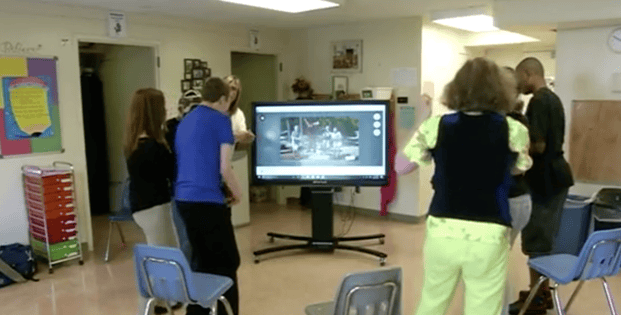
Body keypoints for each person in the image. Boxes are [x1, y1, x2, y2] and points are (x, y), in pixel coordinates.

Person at [396, 57, 532, 315]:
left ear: (456, 89)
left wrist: (421, 119)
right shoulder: (514, 130)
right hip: (490, 232)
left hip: (442, 231)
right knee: (484, 306)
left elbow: (400, 167)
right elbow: (519, 168)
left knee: (432, 302)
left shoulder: (435, 126)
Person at [509, 57, 574, 314]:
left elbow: (538, 145)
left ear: (528, 74)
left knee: (538, 242)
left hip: (546, 179)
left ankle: (537, 298)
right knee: (543, 240)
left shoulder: (538, 101)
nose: (517, 84)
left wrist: (515, 144)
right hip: (557, 175)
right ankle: (541, 291)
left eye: (518, 78)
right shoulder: (553, 99)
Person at [175, 77, 243, 315]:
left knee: (201, 261)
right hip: (207, 201)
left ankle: (198, 311)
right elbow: (225, 167)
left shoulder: (185, 121)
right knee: (228, 262)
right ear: (223, 99)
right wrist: (237, 192)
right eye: (228, 100)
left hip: (183, 200)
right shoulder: (221, 120)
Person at [124, 88, 179, 314]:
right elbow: (172, 170)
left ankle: (162, 302)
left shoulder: (135, 141)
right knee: (163, 257)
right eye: (163, 106)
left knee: (162, 252)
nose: (166, 110)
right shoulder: (152, 147)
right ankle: (149, 305)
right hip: (154, 207)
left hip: (142, 206)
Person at [164, 89, 203, 264]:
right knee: (186, 238)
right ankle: (187, 277)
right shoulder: (171, 129)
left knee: (201, 237)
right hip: (180, 189)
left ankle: (200, 274)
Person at [224, 75, 255, 154]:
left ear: (237, 93)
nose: (230, 91)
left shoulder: (238, 114)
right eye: (227, 87)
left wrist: (247, 138)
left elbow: (241, 145)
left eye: (233, 88)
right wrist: (234, 136)